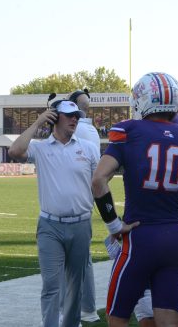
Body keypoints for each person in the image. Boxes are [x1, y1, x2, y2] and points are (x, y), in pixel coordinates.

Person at [91, 72, 178, 327]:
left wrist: (114, 225)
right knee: (167, 312)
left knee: (117, 315)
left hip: (139, 235)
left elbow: (98, 180)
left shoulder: (129, 130)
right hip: (175, 237)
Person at [8, 100, 99, 327]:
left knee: (75, 287)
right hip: (50, 227)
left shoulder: (88, 149)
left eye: (76, 115)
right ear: (54, 118)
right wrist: (38, 121)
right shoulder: (40, 148)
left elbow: (100, 186)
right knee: (51, 287)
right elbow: (15, 151)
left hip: (81, 225)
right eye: (69, 115)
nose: (74, 119)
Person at [66, 89, 101, 323]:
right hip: (86, 197)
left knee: (73, 261)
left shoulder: (77, 129)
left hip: (74, 199)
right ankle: (87, 307)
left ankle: (81, 309)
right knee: (82, 258)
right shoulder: (92, 130)